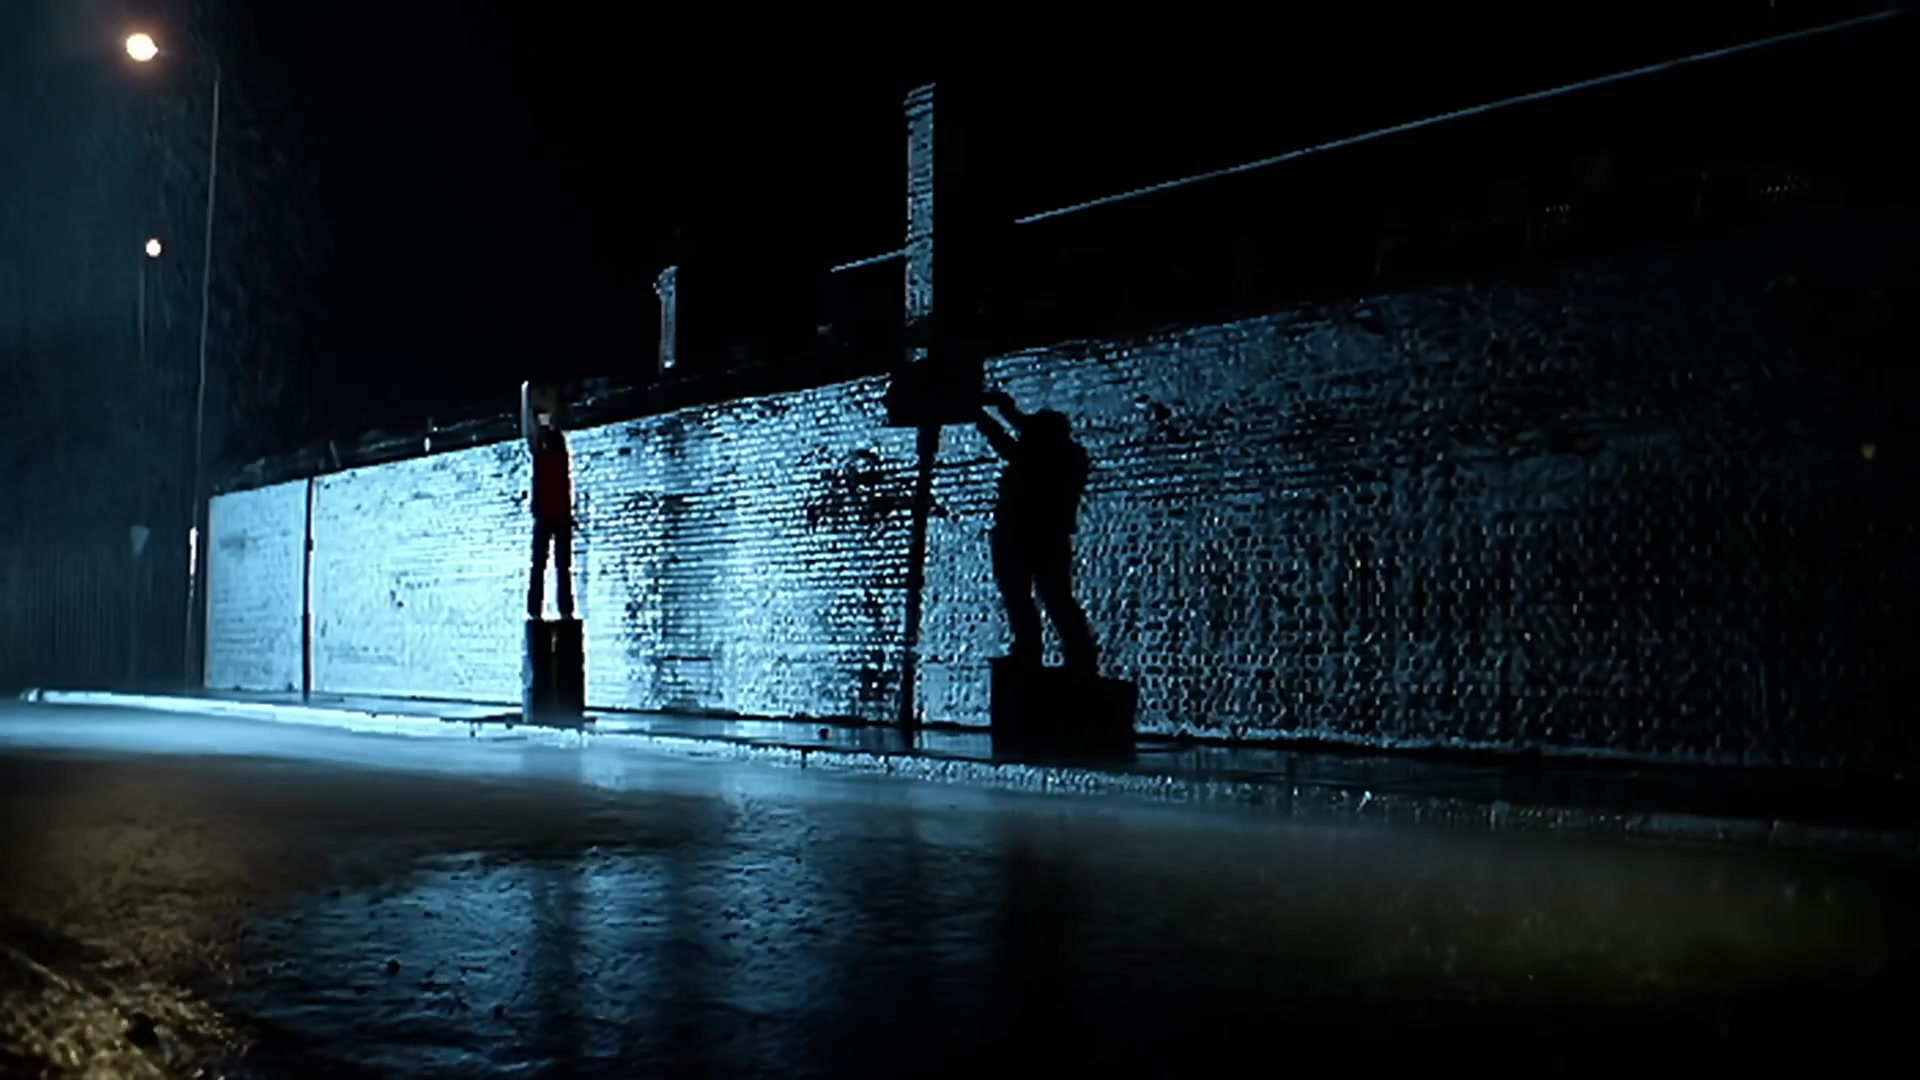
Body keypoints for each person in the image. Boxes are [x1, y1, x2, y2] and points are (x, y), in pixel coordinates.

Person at [976, 389, 1098, 671]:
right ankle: (1074, 654)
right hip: (1045, 537)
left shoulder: (1048, 457)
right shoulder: (1067, 455)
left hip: (1026, 535)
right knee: (1048, 596)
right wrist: (1003, 410)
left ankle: (1038, 652)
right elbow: (1024, 439)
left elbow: (1014, 447)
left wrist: (984, 416)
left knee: (1031, 596)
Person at [528, 414, 575, 620]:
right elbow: (566, 487)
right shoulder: (560, 458)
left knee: (539, 565)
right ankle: (565, 610)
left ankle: (535, 610)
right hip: (560, 516)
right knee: (562, 566)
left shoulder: (542, 457)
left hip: (545, 516)